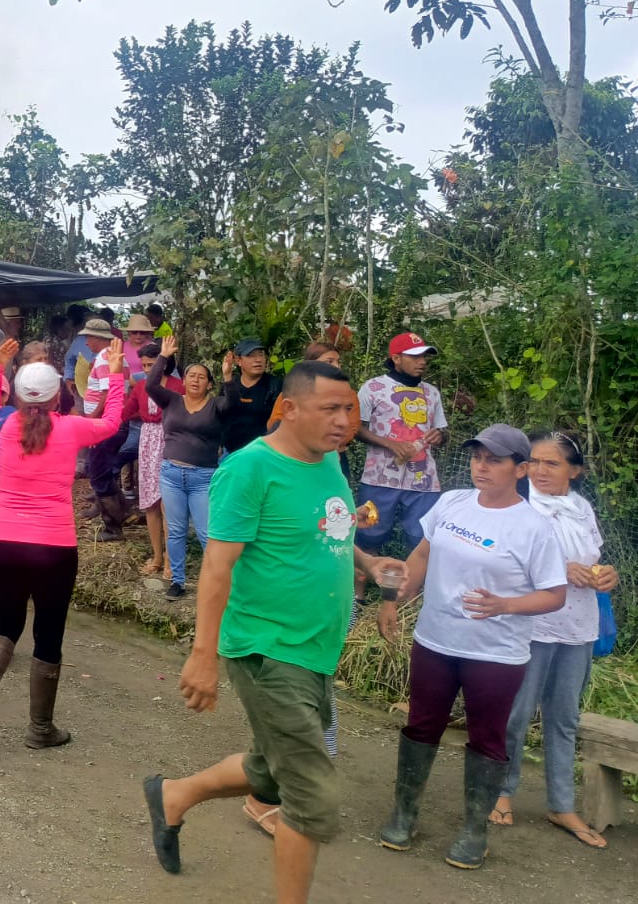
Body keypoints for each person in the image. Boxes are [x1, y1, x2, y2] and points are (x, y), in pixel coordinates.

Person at [142, 361, 400, 904]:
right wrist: (203, 655)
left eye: (349, 409)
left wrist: (368, 563)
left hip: (316, 646)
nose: (344, 420)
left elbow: (330, 527)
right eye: (330, 409)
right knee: (310, 794)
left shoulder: (328, 461)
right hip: (267, 647)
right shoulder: (249, 468)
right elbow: (217, 567)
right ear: (289, 409)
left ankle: (173, 796)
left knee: (269, 768)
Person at [378, 424, 567, 871]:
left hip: (495, 653)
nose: (481, 467)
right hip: (436, 640)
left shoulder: (534, 528)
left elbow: (555, 594)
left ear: (520, 469)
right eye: (477, 457)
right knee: (421, 725)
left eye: (494, 460)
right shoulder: (452, 502)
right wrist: (394, 598)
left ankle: (474, 830)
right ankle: (404, 813)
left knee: (487, 736)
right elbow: (423, 554)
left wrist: (506, 604)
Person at [0, 337, 126, 746]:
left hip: (5, 541)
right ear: (57, 397)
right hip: (54, 546)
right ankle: (40, 729)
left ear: (19, 394)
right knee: (48, 633)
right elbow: (111, 423)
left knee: (5, 621)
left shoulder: (6, 424)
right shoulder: (72, 428)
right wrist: (115, 376)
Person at [493, 430, 618, 848]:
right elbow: (501, 559)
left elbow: (592, 558)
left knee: (565, 718)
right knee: (517, 712)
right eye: (534, 461)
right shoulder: (518, 504)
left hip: (577, 626)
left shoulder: (581, 509)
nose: (540, 470)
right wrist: (561, 569)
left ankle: (561, 804)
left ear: (574, 471)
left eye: (552, 463)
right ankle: (501, 791)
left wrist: (606, 575)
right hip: (532, 623)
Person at [355, 333, 449, 564]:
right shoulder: (373, 388)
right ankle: (362, 585)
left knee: (421, 536)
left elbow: (442, 431)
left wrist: (440, 436)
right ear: (396, 358)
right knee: (369, 531)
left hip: (423, 480)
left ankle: (413, 585)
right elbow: (355, 428)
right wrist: (390, 444)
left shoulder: (431, 393)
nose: (422, 361)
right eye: (415, 357)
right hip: (380, 477)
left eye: (424, 356)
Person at [148, 339, 230, 598]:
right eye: (191, 375)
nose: (195, 380)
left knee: (207, 533)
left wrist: (228, 377)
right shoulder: (171, 400)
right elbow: (150, 385)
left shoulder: (216, 405)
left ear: (210, 384)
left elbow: (233, 405)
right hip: (171, 475)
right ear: (183, 381)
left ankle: (220, 584)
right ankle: (178, 582)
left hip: (203, 478)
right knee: (175, 531)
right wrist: (163, 357)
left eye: (202, 377)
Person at [78, 317, 134, 539]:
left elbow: (108, 392)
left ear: (97, 338)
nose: (86, 342)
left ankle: (113, 527)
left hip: (104, 425)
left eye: (88, 337)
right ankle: (123, 511)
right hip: (112, 423)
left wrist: (92, 419)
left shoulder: (104, 358)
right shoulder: (114, 356)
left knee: (98, 472)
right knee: (101, 469)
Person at [267, 342, 358, 477]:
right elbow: (275, 424)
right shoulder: (292, 393)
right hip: (292, 459)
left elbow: (351, 428)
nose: (336, 366)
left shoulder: (349, 394)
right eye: (329, 361)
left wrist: (330, 448)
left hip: (335, 458)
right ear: (311, 364)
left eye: (338, 362)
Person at [133, 340, 179, 576]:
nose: (147, 369)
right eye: (144, 365)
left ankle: (171, 559)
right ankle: (157, 556)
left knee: (167, 503)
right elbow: (125, 411)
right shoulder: (140, 386)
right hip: (147, 442)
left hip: (170, 440)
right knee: (151, 503)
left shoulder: (177, 386)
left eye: (151, 364)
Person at [220, 339, 281, 453]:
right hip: (230, 451)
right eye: (251, 356)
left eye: (261, 355)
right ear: (238, 360)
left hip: (262, 452)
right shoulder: (230, 384)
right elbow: (222, 416)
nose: (258, 360)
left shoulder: (274, 385)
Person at [61, 303, 94, 383]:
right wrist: (69, 377)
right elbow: (69, 360)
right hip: (81, 382)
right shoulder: (79, 340)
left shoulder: (112, 341)